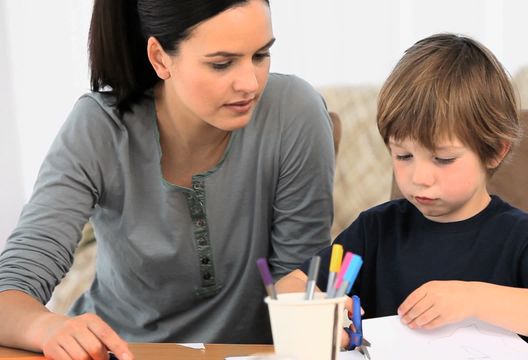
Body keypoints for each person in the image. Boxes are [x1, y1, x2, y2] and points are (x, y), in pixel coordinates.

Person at [0, 0, 335, 359]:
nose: (250, 83)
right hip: (120, 352)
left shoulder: (294, 113)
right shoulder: (98, 128)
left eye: (261, 55)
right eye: (222, 63)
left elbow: (299, 274)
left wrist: (313, 313)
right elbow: (12, 289)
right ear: (160, 58)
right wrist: (48, 327)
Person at [276, 33, 528, 347]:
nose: (419, 177)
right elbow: (289, 284)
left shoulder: (520, 235)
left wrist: (472, 298)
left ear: (495, 151)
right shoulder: (375, 230)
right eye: (403, 156)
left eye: (443, 158)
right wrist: (315, 307)